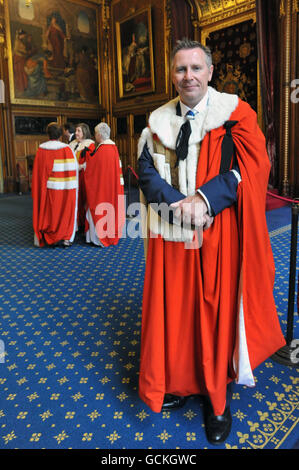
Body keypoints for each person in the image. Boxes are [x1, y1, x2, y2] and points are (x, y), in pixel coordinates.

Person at [137, 39, 285, 445]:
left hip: (217, 233)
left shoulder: (235, 115)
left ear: (210, 72)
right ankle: (180, 381)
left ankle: (216, 397)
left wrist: (205, 200)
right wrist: (177, 205)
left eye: (196, 69)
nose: (188, 77)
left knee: (213, 313)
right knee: (175, 311)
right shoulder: (157, 121)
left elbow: (253, 166)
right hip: (171, 234)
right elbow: (146, 170)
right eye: (181, 70)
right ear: (172, 75)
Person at [32, 122, 78, 247]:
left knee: (50, 213)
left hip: (47, 190)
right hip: (66, 190)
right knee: (65, 211)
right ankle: (65, 237)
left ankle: (49, 236)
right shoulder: (67, 149)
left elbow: (37, 175)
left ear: (48, 134)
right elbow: (74, 173)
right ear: (61, 134)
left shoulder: (41, 150)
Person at [84, 122, 125, 246]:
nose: (95, 136)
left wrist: (87, 156)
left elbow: (92, 171)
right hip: (112, 187)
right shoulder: (113, 148)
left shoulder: (102, 149)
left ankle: (98, 238)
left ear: (99, 134)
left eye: (96, 134)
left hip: (102, 190)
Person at [69, 123, 94, 232]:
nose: (76, 133)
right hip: (73, 176)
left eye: (78, 131)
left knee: (83, 199)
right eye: (76, 130)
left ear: (84, 132)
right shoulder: (72, 144)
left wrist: (80, 166)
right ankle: (75, 223)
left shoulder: (90, 144)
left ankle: (83, 224)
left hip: (83, 176)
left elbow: (91, 161)